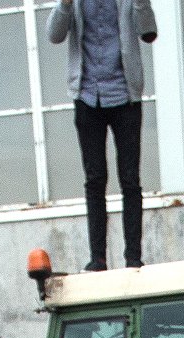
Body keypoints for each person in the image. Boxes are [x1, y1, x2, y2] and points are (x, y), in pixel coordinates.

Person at [46, 0, 156, 270]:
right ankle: (98, 258)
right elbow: (54, 35)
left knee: (130, 179)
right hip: (87, 97)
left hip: (125, 97)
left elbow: (149, 33)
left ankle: (133, 257)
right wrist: (65, 5)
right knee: (94, 180)